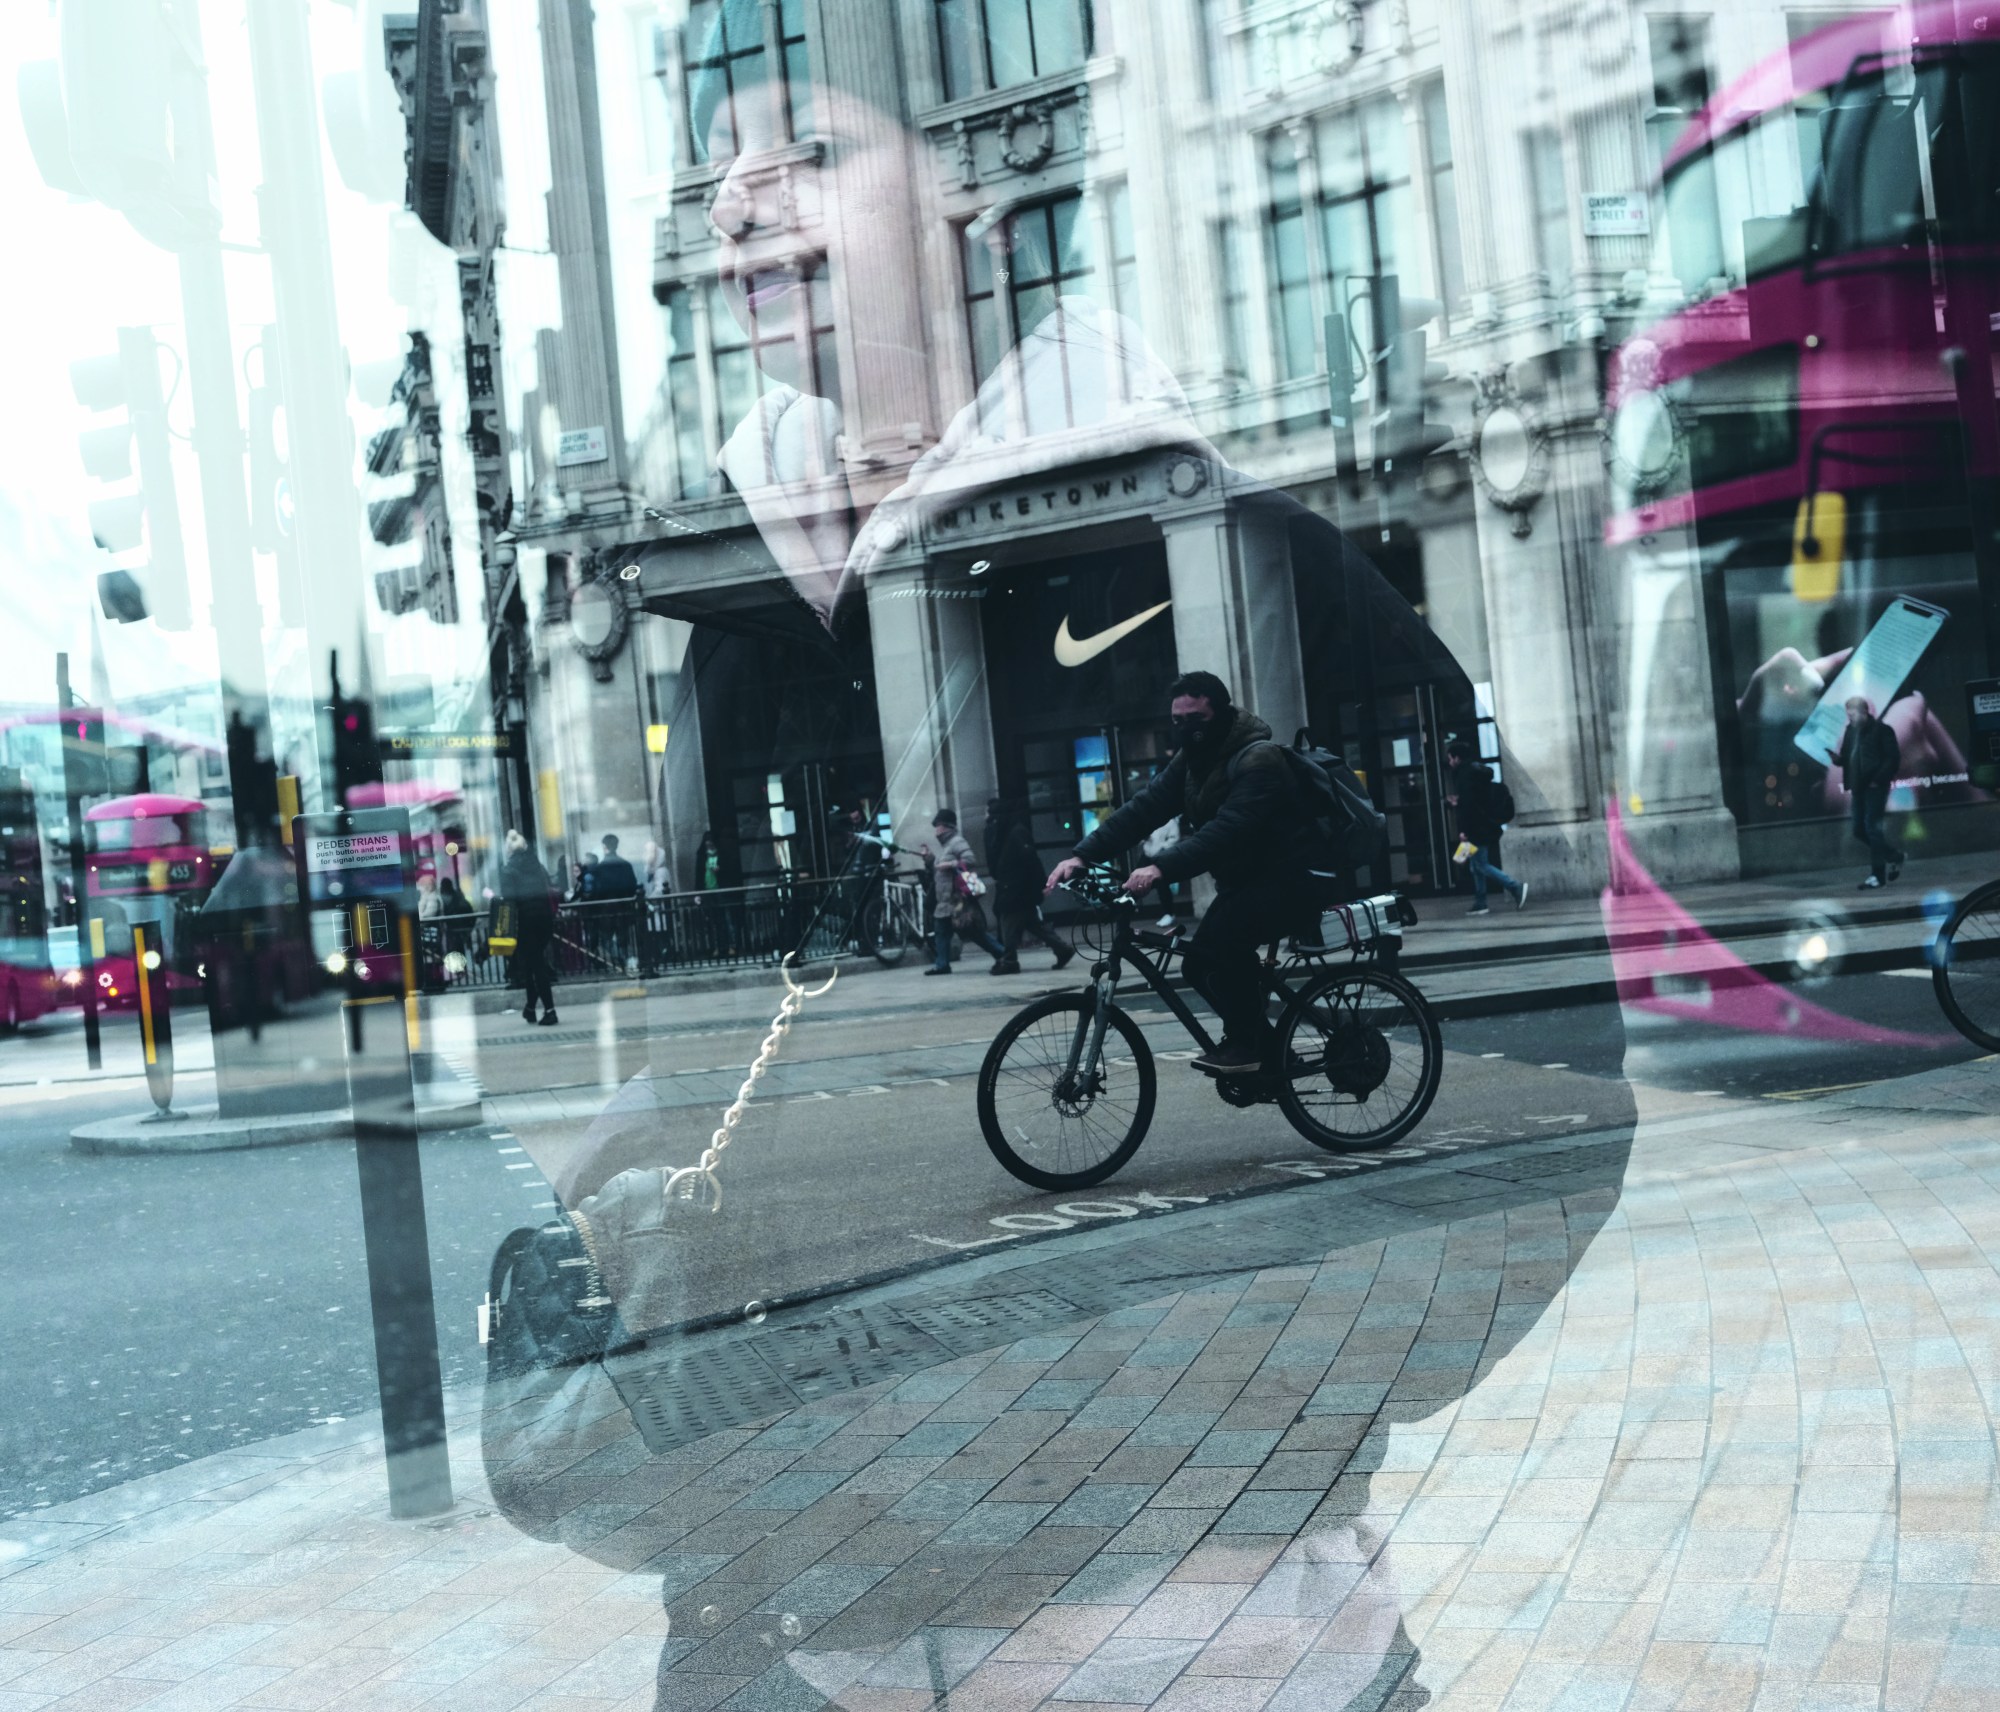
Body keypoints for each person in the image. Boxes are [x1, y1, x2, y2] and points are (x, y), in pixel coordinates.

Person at [1048, 671, 1314, 1074]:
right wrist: (1083, 855)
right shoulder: (1193, 762)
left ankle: (1252, 1047)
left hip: (1289, 879)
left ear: (1222, 714)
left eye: (1197, 719)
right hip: (1245, 881)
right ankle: (1265, 1047)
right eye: (1178, 721)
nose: (1187, 729)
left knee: (1217, 950)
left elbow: (1229, 831)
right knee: (1200, 962)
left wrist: (1159, 867)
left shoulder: (1259, 759)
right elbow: (1145, 809)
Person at [985, 796, 1074, 974]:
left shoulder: (1014, 832)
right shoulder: (1006, 831)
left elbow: (1031, 860)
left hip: (1016, 890)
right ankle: (1062, 949)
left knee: (1009, 924)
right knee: (1033, 924)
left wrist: (1042, 884)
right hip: (1015, 889)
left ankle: (1009, 960)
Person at [1446, 739, 1528, 915]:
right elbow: (1475, 801)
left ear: (1457, 758)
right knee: (1475, 866)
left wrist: (1464, 831)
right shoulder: (1476, 772)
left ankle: (1515, 887)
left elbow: (1469, 806)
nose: (1450, 762)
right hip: (1482, 825)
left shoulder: (1464, 775)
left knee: (1481, 865)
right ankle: (1481, 902)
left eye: (1450, 758)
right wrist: (1459, 803)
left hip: (1475, 828)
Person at [921, 807, 1006, 975]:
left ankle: (1001, 952)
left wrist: (951, 865)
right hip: (946, 899)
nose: (936, 830)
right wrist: (929, 859)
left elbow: (970, 860)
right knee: (941, 931)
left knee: (973, 931)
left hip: (956, 899)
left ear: (945, 826)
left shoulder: (956, 842)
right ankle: (942, 964)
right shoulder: (946, 846)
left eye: (937, 825)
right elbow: (937, 871)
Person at [1837, 695, 1905, 888]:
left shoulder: (1882, 731)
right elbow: (1846, 756)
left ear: (1865, 713)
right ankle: (1894, 855)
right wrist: (1838, 760)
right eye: (1848, 715)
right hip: (1858, 786)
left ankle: (1877, 876)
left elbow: (1892, 758)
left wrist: (1878, 780)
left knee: (1872, 829)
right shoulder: (1850, 731)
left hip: (1875, 787)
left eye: (1853, 715)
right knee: (1858, 829)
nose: (1850, 719)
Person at [500, 829, 559, 1026]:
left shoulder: (508, 871)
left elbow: (509, 902)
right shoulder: (538, 866)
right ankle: (530, 1009)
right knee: (532, 965)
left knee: (536, 966)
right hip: (545, 919)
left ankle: (550, 1011)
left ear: (508, 849)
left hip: (525, 922)